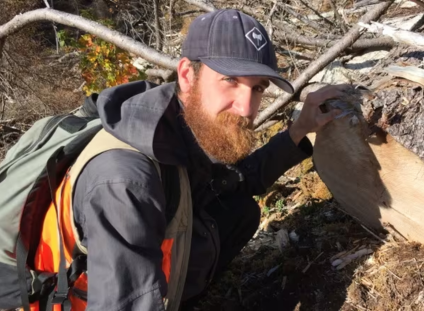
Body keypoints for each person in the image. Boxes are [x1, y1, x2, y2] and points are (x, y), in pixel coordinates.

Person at [33, 8, 344, 311]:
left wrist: (301, 129)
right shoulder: (125, 181)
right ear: (186, 75)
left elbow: (234, 181)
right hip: (72, 300)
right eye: (231, 80)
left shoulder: (181, 124)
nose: (247, 107)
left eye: (258, 88)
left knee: (239, 212)